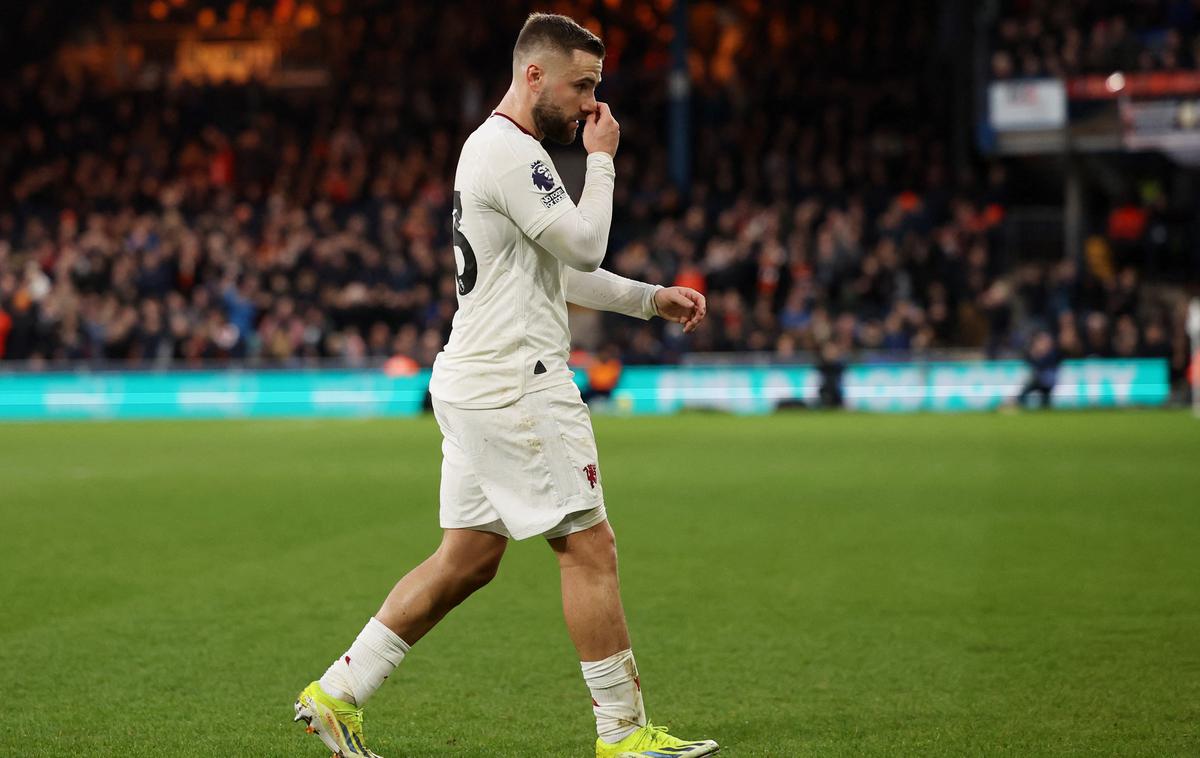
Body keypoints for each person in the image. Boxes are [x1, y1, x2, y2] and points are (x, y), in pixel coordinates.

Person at [293, 13, 717, 758]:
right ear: (534, 76)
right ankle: (622, 735)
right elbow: (586, 240)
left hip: (474, 376)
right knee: (589, 548)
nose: (592, 105)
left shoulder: (498, 151)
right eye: (582, 86)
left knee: (467, 558)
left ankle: (336, 692)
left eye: (597, 88)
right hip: (519, 382)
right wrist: (604, 161)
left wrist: (651, 298)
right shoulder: (512, 152)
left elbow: (565, 268)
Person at [1016, 330, 1059, 409]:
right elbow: (1032, 365)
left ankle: (1045, 406)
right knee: (1027, 389)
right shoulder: (1033, 353)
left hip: (1047, 380)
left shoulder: (1053, 354)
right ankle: (1019, 404)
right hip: (1038, 379)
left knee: (1043, 393)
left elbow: (1049, 367)